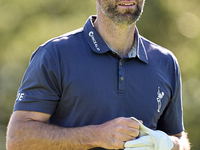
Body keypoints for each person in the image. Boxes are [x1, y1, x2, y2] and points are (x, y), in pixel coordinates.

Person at [6, 0, 190, 150]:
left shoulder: (166, 62)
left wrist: (166, 144)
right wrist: (96, 136)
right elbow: (18, 139)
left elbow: (180, 139)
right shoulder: (55, 54)